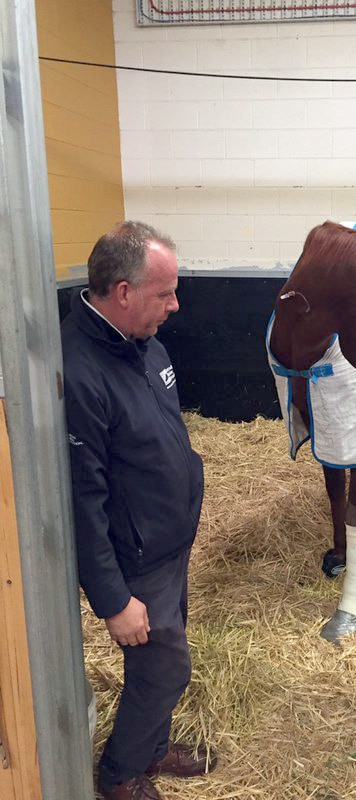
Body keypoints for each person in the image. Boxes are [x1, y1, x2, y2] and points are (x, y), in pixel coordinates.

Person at [61, 222, 216, 800]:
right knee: (166, 669)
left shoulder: (146, 345)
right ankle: (121, 774)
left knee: (158, 669)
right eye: (164, 293)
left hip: (168, 541)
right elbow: (83, 497)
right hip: (137, 558)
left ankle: (151, 749)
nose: (175, 306)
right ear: (122, 291)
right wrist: (112, 600)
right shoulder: (78, 370)